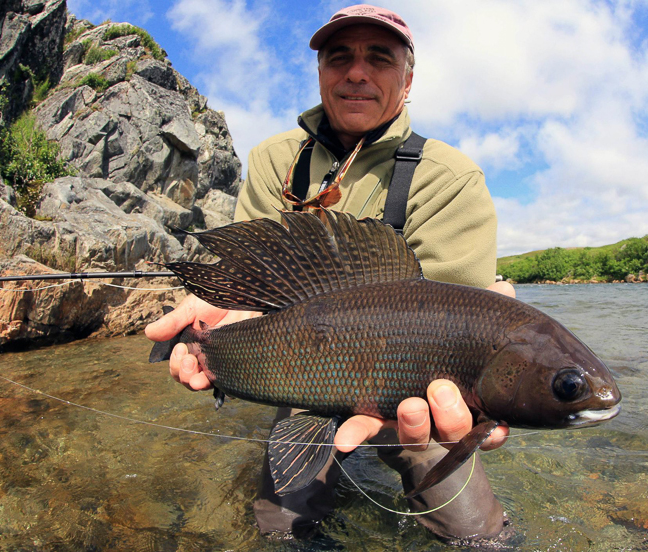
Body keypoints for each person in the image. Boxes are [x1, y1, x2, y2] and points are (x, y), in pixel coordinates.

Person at [146, 4, 514, 545]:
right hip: (307, 367)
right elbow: (255, 284)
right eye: (339, 58)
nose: (357, 73)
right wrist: (217, 330)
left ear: (407, 79)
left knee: (477, 535)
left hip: (417, 385)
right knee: (280, 528)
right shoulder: (273, 160)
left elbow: (454, 319)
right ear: (321, 73)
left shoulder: (451, 178)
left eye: (379, 59)